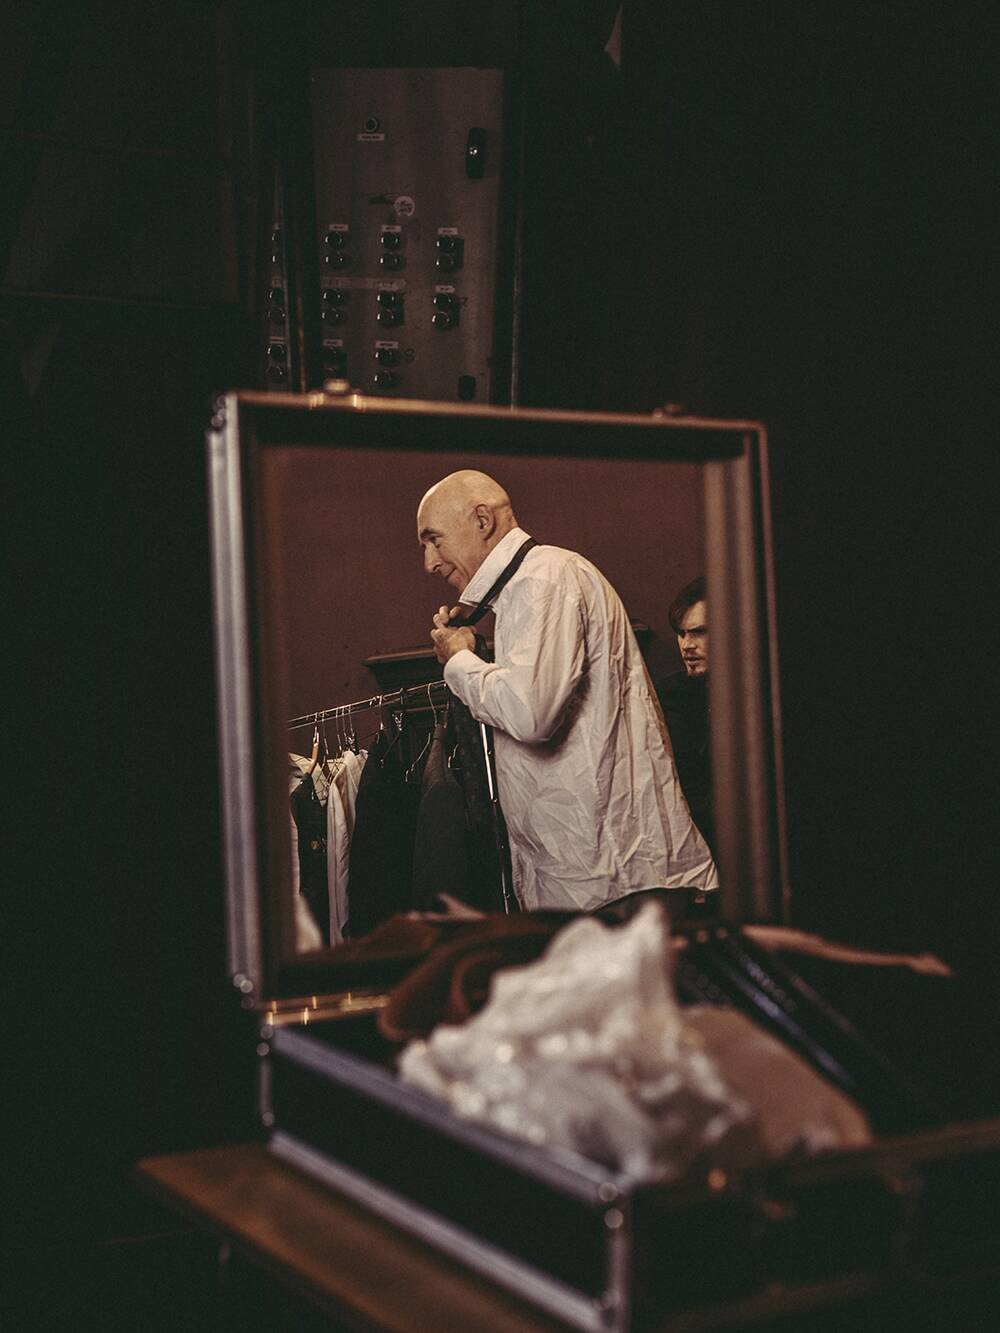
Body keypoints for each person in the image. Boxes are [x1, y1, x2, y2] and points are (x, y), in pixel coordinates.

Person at [417, 470, 717, 911]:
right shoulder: (533, 585)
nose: (430, 563)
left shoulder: (545, 580)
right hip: (602, 884)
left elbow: (531, 715)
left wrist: (460, 661)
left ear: (482, 521)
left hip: (617, 887)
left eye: (433, 539)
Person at [656, 576, 714, 851]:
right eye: (681, 633)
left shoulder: (753, 699)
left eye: (699, 632)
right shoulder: (668, 695)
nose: (686, 645)